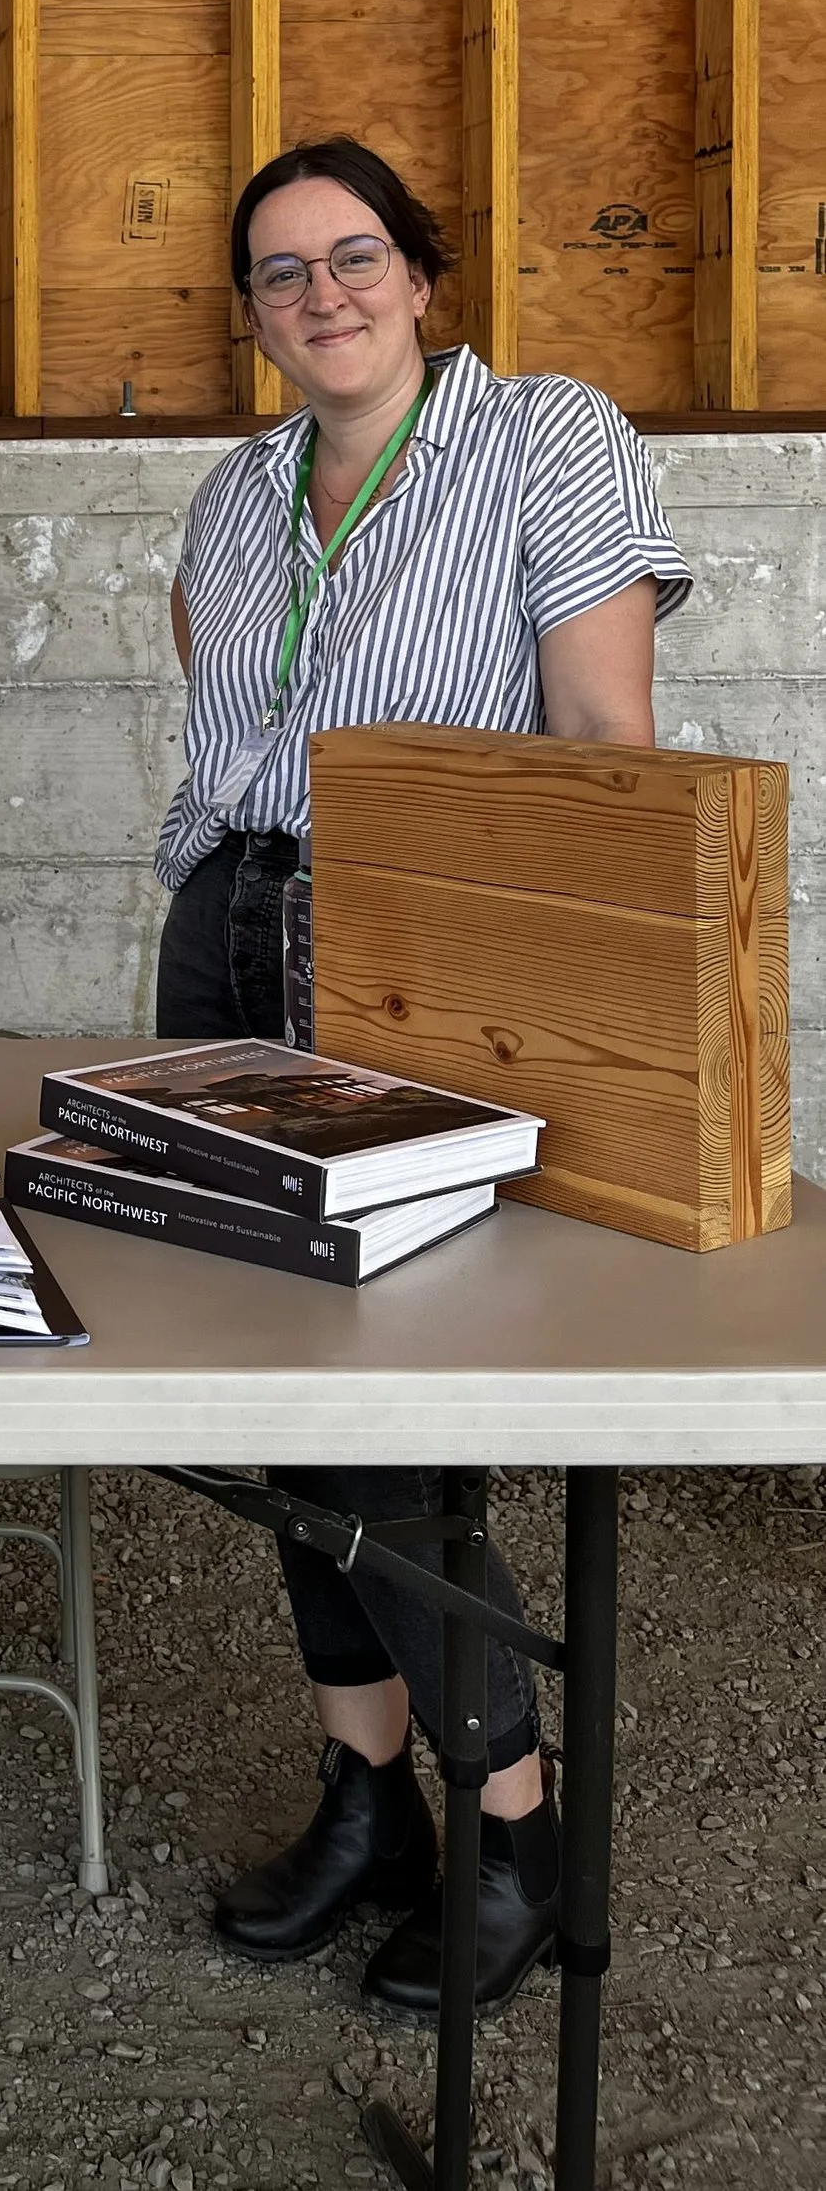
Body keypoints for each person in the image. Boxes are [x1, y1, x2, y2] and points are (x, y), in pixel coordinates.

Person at [160, 138, 689, 2017]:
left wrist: (591, 1018)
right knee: (281, 1406)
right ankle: (369, 1793)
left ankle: (520, 1817)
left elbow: (609, 743)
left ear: (422, 274)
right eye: (282, 274)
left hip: (417, 954)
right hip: (232, 935)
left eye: (354, 254)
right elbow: (223, 728)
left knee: (390, 1398)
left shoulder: (546, 437)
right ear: (252, 320)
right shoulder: (235, 497)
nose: (324, 294)